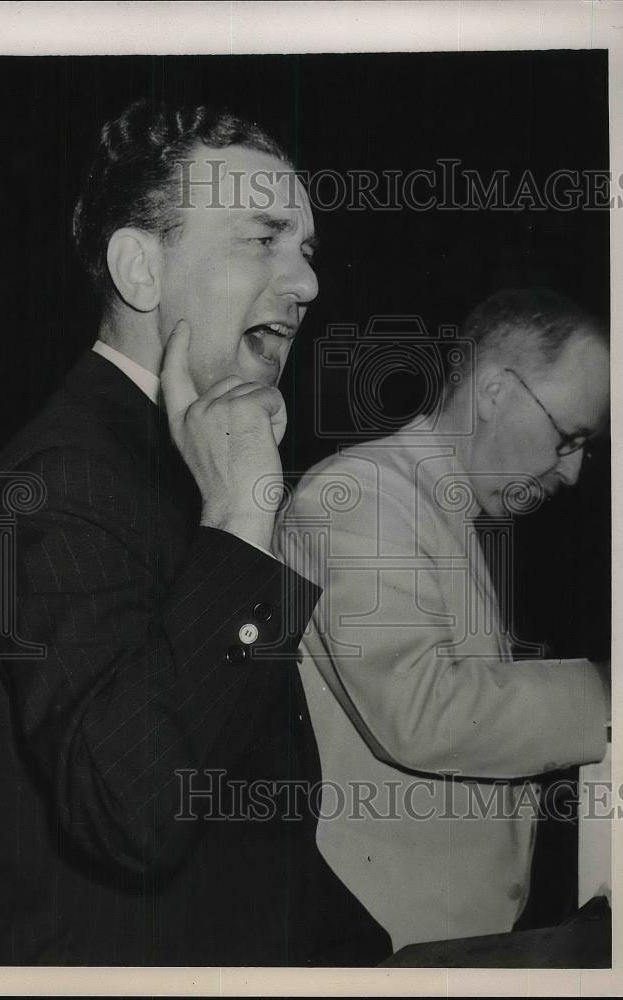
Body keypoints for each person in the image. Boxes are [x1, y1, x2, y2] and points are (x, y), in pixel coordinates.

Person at [0, 99, 391, 966]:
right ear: (139, 270)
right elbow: (135, 812)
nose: (306, 285)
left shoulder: (177, 459)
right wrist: (235, 523)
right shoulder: (47, 486)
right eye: (262, 240)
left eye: (305, 251)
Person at [277, 288, 611, 950]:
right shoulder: (361, 496)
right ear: (493, 391)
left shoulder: (445, 510)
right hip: (381, 942)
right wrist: (606, 690)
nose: (572, 472)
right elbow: (422, 711)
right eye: (568, 437)